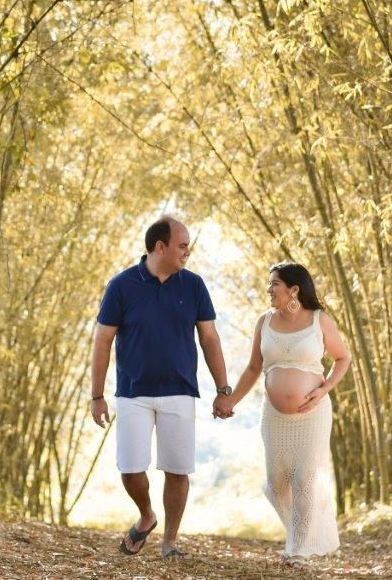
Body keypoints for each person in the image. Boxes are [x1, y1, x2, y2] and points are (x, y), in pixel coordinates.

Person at [89, 217, 232, 559]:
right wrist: (97, 396)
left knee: (178, 470)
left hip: (180, 390)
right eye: (182, 245)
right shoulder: (121, 285)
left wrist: (223, 389)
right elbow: (102, 340)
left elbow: (209, 338)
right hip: (133, 392)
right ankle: (146, 515)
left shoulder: (194, 285)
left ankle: (170, 542)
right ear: (160, 247)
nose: (187, 252)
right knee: (130, 468)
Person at [227, 261, 350, 567]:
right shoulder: (264, 322)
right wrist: (231, 401)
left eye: (274, 284)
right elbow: (253, 368)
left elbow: (343, 358)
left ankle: (298, 550)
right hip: (274, 416)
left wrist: (324, 389)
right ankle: (305, 536)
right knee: (277, 482)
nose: (268, 289)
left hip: (313, 414)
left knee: (304, 478)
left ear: (294, 289)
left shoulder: (319, 320)